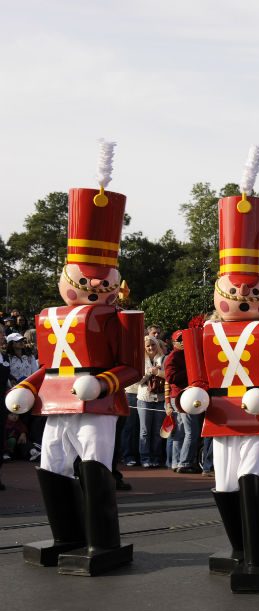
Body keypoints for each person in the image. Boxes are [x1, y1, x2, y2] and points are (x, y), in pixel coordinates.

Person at [5, 141, 144, 575]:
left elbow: (133, 367)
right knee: (51, 461)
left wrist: (103, 382)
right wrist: (27, 387)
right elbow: (48, 365)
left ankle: (101, 539)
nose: (94, 287)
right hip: (56, 400)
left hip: (96, 400)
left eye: (103, 281)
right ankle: (65, 532)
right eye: (86, 280)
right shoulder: (47, 316)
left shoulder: (123, 318)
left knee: (94, 460)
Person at [180, 146, 259, 593]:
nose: (246, 301)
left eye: (255, 294)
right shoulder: (200, 332)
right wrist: (193, 393)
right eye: (237, 293)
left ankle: (256, 554)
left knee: (252, 478)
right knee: (225, 484)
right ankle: (241, 545)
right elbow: (196, 376)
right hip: (221, 416)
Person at [164, 328, 201, 473]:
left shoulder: (184, 355)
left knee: (181, 432)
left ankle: (177, 462)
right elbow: (170, 378)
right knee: (191, 431)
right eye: (180, 340)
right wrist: (190, 371)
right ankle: (184, 463)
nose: (184, 342)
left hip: (181, 396)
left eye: (185, 339)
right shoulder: (173, 357)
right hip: (182, 397)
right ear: (174, 342)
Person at [137, 336, 166, 468]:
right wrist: (148, 373)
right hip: (144, 399)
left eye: (153, 345)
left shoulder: (164, 359)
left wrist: (158, 372)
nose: (150, 348)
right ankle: (145, 458)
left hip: (160, 398)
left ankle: (155, 457)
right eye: (148, 346)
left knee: (157, 431)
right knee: (144, 431)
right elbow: (137, 381)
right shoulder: (140, 360)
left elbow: (169, 376)